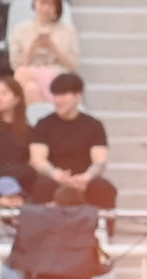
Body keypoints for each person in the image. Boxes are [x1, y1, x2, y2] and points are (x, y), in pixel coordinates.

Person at [26, 72, 115, 209]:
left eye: (63, 95)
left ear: (78, 96)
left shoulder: (94, 125)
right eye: (55, 95)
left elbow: (100, 161)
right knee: (41, 185)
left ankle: (103, 223)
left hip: (84, 180)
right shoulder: (44, 124)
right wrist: (56, 175)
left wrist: (86, 177)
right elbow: (37, 159)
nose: (57, 101)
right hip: (54, 179)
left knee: (103, 187)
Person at [10, 0, 77, 104]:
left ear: (57, 7)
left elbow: (72, 66)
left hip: (56, 77)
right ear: (35, 2)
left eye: (51, 4)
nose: (46, 8)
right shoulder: (21, 30)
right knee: (30, 88)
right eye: (42, 2)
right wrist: (31, 50)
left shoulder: (67, 31)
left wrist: (54, 49)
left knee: (22, 73)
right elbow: (15, 65)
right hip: (29, 77)